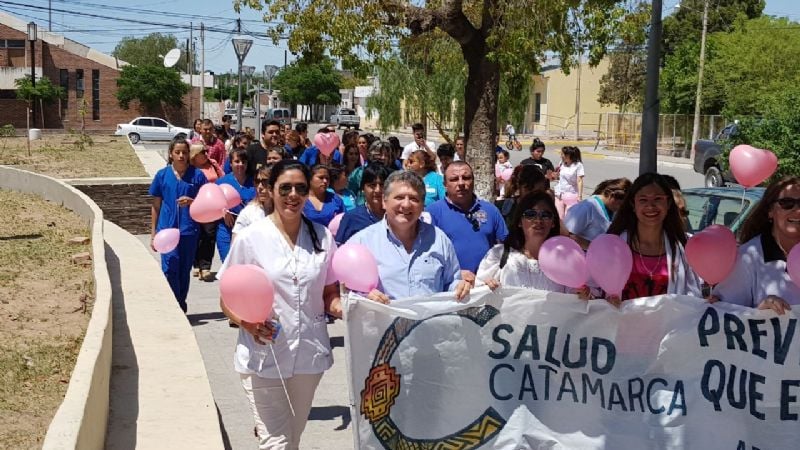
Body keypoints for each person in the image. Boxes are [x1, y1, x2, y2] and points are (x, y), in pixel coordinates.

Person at [217, 159, 342, 449]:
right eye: (285, 188)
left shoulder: (323, 237)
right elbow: (226, 299)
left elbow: (329, 292)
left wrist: (343, 308)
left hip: (309, 355)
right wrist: (249, 325)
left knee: (292, 438)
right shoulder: (250, 238)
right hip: (264, 355)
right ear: (271, 190)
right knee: (277, 442)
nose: (293, 195)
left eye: (300, 188)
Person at [348, 170, 470, 301]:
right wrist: (363, 296)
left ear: (422, 205)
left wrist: (460, 287)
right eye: (399, 197)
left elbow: (451, 282)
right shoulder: (361, 244)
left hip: (432, 315)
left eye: (413, 199)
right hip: (381, 315)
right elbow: (346, 292)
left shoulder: (439, 239)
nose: (406, 205)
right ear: (384, 201)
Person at [607, 172, 702, 305]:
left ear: (668, 203)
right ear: (633, 204)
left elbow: (693, 296)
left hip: (670, 319)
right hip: (620, 319)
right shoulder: (613, 246)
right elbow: (596, 289)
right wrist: (588, 294)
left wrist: (712, 302)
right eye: (643, 200)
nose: (650, 206)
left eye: (657, 199)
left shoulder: (684, 247)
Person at [712, 176, 800, 312]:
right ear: (770, 211)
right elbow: (723, 313)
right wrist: (760, 311)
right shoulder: (748, 256)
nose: (798, 210)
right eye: (787, 203)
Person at [149, 137, 207, 312]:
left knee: (183, 270)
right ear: (171, 154)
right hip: (166, 231)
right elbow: (156, 205)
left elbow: (206, 203)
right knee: (169, 267)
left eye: (184, 152)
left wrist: (192, 201)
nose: (181, 156)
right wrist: (153, 233)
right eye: (177, 152)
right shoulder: (162, 175)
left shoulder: (197, 176)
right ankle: (174, 305)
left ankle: (180, 302)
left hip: (189, 231)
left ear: (189, 154)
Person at [426, 162, 509, 282]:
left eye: (466, 178)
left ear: (473, 181)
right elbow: (425, 257)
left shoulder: (491, 210)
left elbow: (506, 248)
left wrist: (496, 273)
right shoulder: (432, 213)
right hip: (450, 286)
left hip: (486, 285)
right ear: (445, 184)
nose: (461, 183)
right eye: (454, 179)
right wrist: (454, 273)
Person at [477, 191, 569, 292]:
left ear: (553, 222)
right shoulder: (498, 255)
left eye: (545, 215)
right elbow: (477, 291)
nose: (538, 220)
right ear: (519, 222)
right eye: (530, 214)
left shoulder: (564, 262)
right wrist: (486, 286)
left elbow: (573, 298)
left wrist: (580, 294)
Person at [189, 143, 224, 281]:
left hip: (211, 206)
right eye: (202, 152)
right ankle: (196, 264)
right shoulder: (190, 168)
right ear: (194, 156)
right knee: (196, 236)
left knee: (209, 236)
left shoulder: (213, 164)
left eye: (206, 151)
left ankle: (205, 266)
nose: (206, 154)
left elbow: (222, 178)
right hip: (195, 205)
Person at [564, 177, 631, 248]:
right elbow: (567, 235)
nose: (621, 209)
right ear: (611, 196)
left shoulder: (611, 209)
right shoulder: (587, 207)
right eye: (621, 205)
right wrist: (594, 247)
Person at [335, 163, 392, 244]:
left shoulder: (395, 217)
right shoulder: (351, 218)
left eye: (382, 185)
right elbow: (340, 248)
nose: (378, 190)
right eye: (372, 185)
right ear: (363, 189)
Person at [216, 148, 256, 262]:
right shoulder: (221, 182)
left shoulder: (254, 183)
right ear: (230, 163)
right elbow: (213, 204)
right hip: (226, 229)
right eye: (237, 161)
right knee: (228, 261)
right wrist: (223, 212)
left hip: (248, 231)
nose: (240, 164)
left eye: (244, 162)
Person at [232, 166, 273, 239]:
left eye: (265, 182)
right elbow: (235, 242)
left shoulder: (284, 212)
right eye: (257, 181)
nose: (260, 187)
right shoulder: (248, 213)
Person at [348, 140, 393, 205]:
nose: (383, 157)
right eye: (379, 154)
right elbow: (350, 192)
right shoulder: (359, 172)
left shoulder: (393, 175)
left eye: (386, 155)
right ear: (371, 154)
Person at [553, 146, 585, 218]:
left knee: (569, 218)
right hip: (559, 194)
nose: (560, 156)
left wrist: (580, 196)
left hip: (571, 195)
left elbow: (579, 180)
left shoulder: (578, 165)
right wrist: (555, 175)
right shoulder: (561, 163)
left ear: (568, 155)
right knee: (559, 217)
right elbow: (559, 177)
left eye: (562, 154)